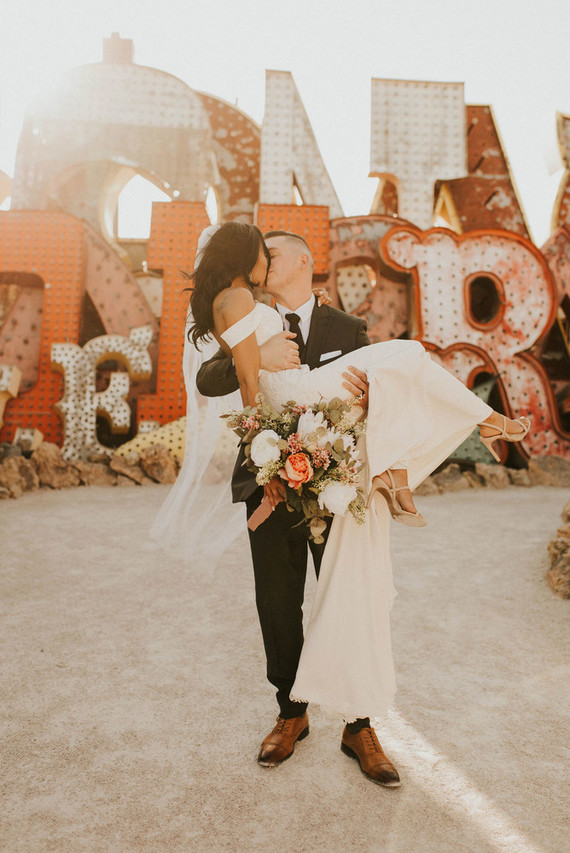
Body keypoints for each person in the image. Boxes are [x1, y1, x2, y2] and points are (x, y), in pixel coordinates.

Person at [193, 221, 530, 787]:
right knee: (277, 602)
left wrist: (379, 398)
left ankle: (359, 724)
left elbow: (378, 391)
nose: (263, 261)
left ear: (304, 261)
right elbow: (209, 377)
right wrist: (258, 356)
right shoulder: (248, 311)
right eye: (259, 254)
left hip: (338, 482)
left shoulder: (346, 326)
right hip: (269, 481)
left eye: (273, 253)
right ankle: (291, 712)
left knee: (352, 591)